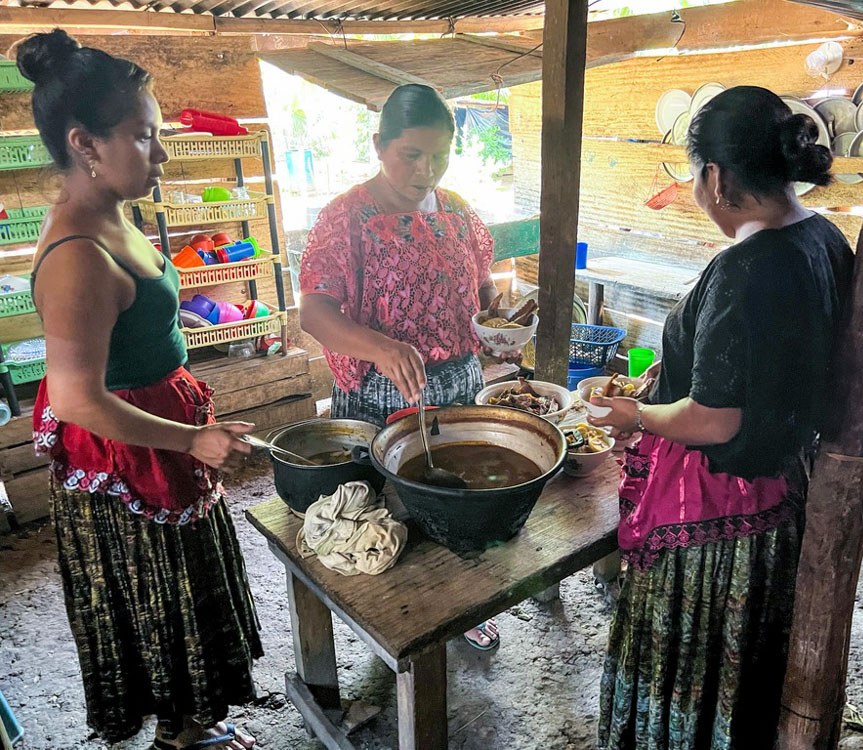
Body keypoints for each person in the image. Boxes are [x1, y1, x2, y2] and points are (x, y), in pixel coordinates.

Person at [590, 86, 854, 749]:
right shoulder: (823, 238)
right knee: (742, 671)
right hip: (778, 498)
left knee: (692, 664)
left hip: (709, 514)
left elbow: (714, 419)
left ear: (713, 176)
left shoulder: (746, 267)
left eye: (693, 175)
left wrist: (636, 413)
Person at [19, 30, 261, 750]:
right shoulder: (77, 256)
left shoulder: (114, 213)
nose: (159, 153)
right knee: (159, 599)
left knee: (185, 586)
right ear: (85, 143)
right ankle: (179, 735)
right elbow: (75, 399)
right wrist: (192, 438)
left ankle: (194, 720)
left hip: (161, 436)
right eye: (142, 137)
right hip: (128, 456)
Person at [299, 83, 501, 650]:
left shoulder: (458, 212)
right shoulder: (348, 218)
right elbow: (314, 312)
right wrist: (380, 348)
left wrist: (497, 326)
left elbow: (483, 286)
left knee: (458, 503)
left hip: (459, 389)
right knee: (385, 520)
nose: (426, 169)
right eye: (411, 154)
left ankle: (462, 607)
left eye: (439, 154)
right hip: (378, 396)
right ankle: (397, 630)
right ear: (378, 145)